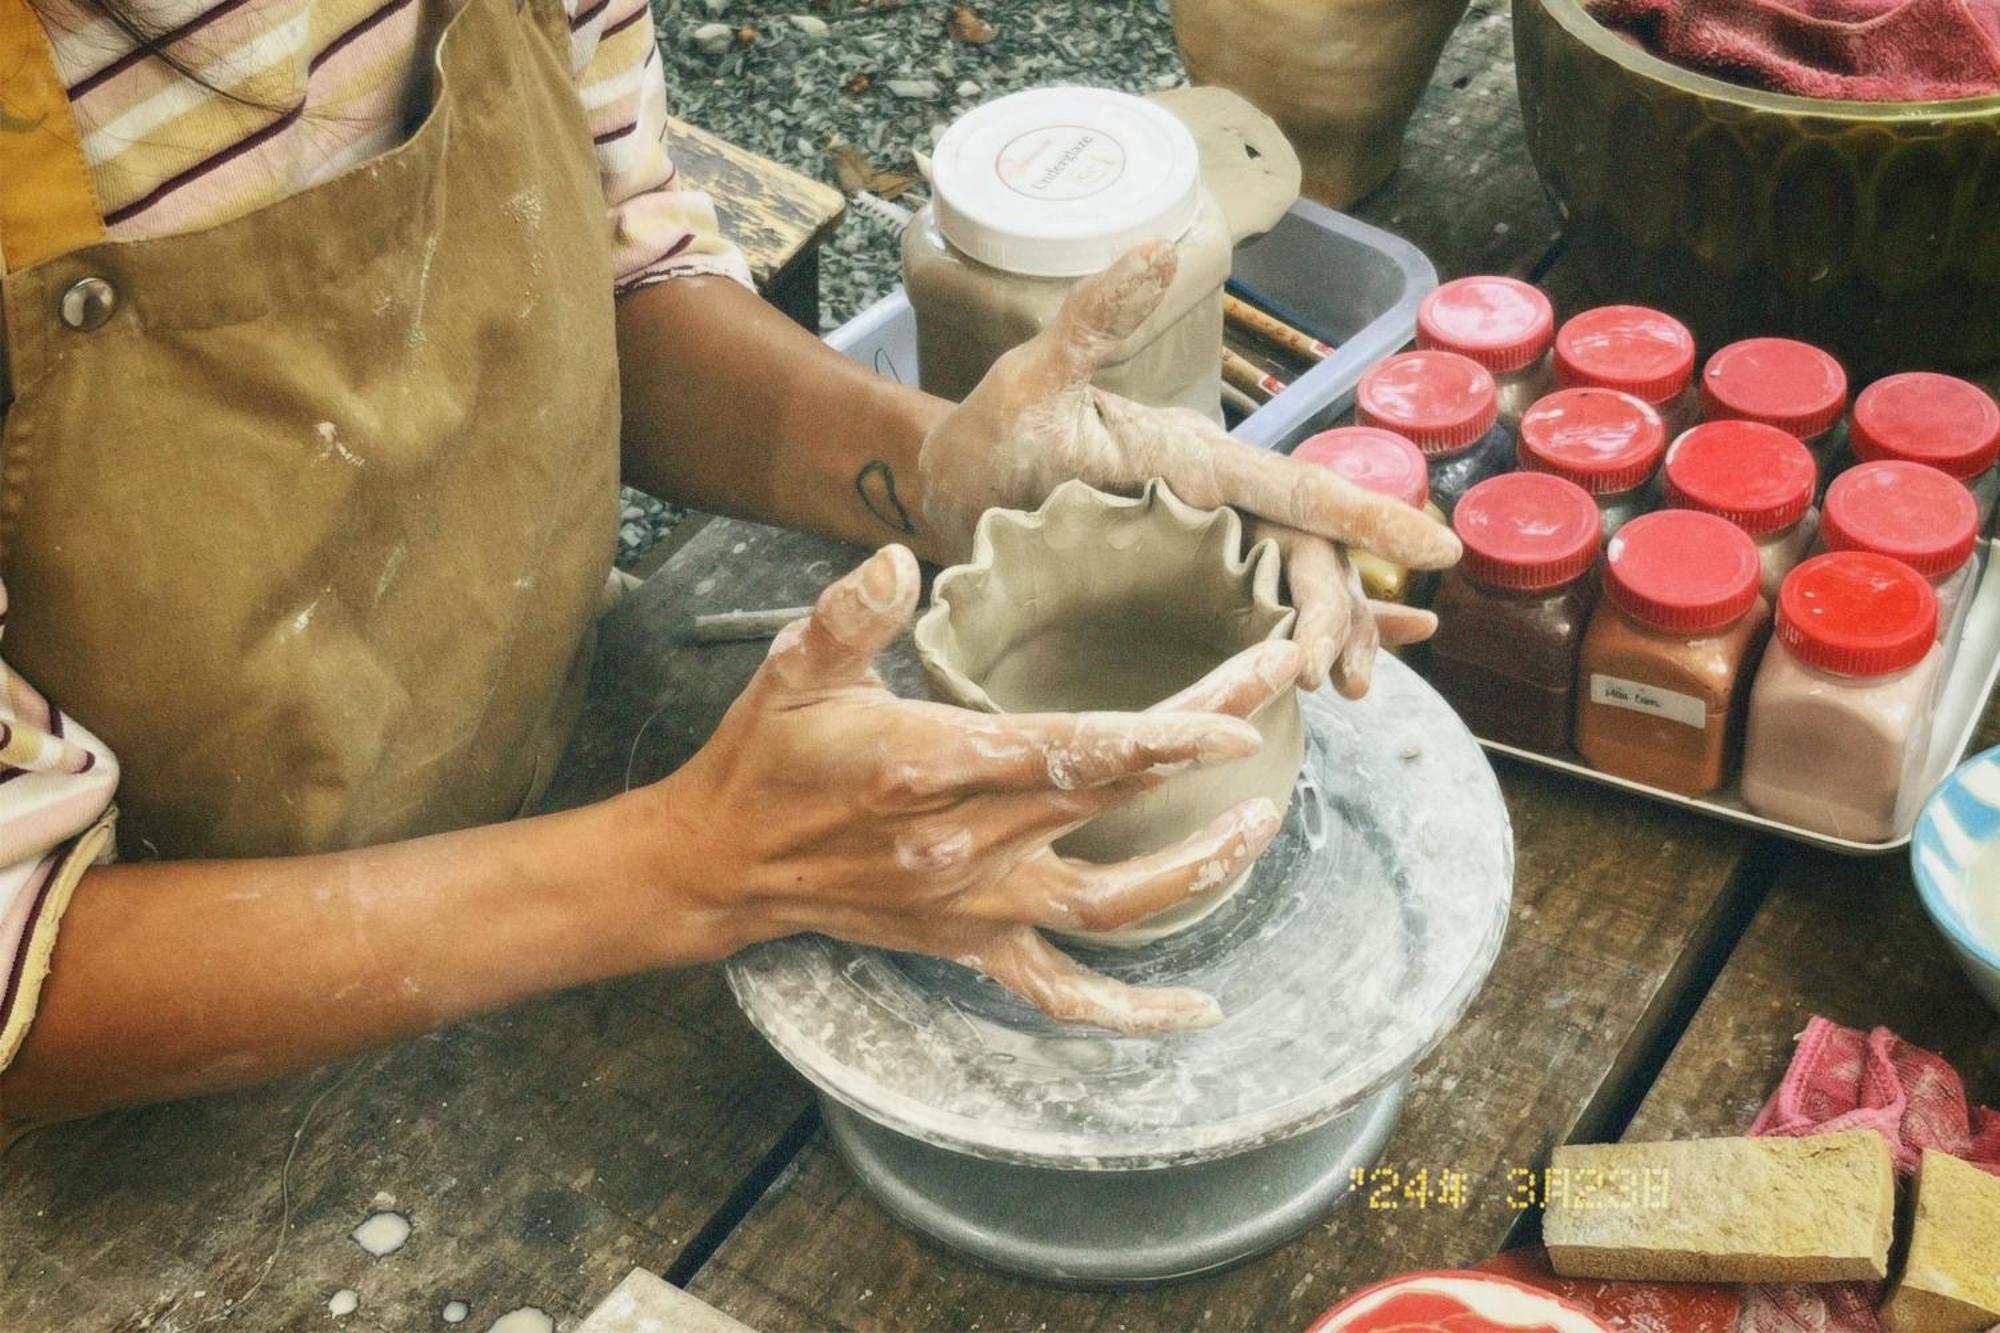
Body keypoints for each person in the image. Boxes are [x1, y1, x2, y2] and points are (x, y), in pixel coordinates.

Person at [0, 0, 1458, 1141]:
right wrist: (694, 865)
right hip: (149, 1074)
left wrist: (935, 463)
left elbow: (609, 274)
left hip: (538, 777)